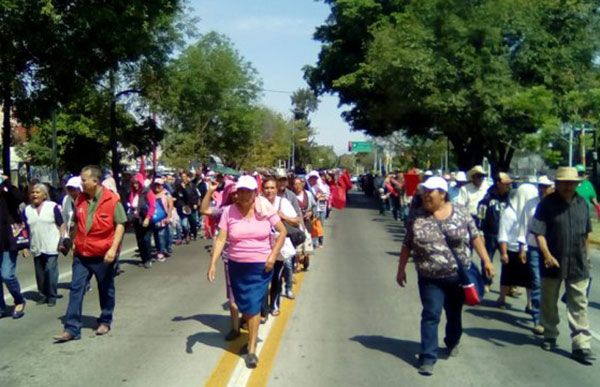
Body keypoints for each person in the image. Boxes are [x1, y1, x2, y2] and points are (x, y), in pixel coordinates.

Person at [396, 176, 494, 376]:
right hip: (429, 276)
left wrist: (487, 260)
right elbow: (407, 242)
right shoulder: (416, 215)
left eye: (429, 192)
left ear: (442, 193)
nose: (425, 196)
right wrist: (401, 268)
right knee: (431, 314)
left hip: (457, 276)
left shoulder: (461, 212)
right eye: (424, 192)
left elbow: (475, 237)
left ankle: (452, 340)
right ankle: (428, 356)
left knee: (453, 313)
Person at [207, 175, 287, 369]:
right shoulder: (228, 212)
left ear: (254, 193)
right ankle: (248, 337)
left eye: (247, 191)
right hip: (236, 266)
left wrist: (272, 256)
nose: (243, 195)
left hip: (261, 266)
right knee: (244, 306)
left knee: (252, 308)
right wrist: (213, 264)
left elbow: (282, 232)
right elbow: (220, 239)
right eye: (240, 191)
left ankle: (251, 350)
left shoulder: (265, 209)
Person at [530, 166, 596, 364]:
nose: (568, 186)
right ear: (557, 184)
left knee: (579, 303)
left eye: (572, 183)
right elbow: (538, 233)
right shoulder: (547, 204)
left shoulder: (583, 204)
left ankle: (581, 343)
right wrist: (547, 255)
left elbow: (586, 234)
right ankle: (550, 333)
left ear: (577, 184)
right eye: (564, 183)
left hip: (577, 261)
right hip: (552, 261)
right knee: (549, 301)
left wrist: (587, 257)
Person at [54, 165, 126, 342]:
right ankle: (71, 328)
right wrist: (70, 243)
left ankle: (105, 319)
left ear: (95, 181)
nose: (81, 183)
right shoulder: (79, 199)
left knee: (106, 289)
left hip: (103, 254)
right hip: (82, 255)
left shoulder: (112, 200)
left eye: (84, 180)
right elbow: (77, 224)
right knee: (76, 289)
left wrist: (113, 249)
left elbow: (121, 225)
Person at [517, 175, 554, 334]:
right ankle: (538, 319)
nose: (542, 189)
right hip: (533, 247)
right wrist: (521, 247)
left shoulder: (555, 204)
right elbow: (523, 225)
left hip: (552, 249)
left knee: (550, 285)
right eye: (540, 186)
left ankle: (549, 318)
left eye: (546, 186)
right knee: (537, 281)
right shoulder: (531, 204)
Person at [22, 184, 64, 307]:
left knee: (50, 270)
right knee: (40, 274)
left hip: (51, 244)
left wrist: (62, 240)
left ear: (44, 195)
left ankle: (52, 295)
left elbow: (61, 224)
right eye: (32, 192)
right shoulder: (27, 210)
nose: (34, 194)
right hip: (36, 245)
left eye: (38, 192)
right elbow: (24, 229)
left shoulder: (52, 206)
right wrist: (25, 246)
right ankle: (43, 295)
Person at [265, 176, 301, 303]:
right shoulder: (258, 203)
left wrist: (284, 217)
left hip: (281, 244)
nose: (269, 190)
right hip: (263, 246)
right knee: (263, 278)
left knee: (285, 267)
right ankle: (262, 311)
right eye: (266, 188)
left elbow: (297, 220)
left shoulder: (286, 199)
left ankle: (287, 289)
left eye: (272, 188)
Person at [477, 172, 512, 292]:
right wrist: (480, 232)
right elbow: (480, 215)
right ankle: (486, 282)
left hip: (506, 235)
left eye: (509, 184)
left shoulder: (510, 198)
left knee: (509, 261)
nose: (508, 186)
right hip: (490, 233)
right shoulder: (487, 198)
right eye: (506, 184)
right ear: (498, 183)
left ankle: (509, 286)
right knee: (487, 259)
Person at [496, 189, 532, 308]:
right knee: (507, 277)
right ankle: (502, 299)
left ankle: (530, 304)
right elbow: (503, 234)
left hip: (527, 249)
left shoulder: (530, 212)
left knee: (530, 279)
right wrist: (504, 253)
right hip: (512, 249)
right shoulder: (508, 213)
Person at [0, 174, 27, 319]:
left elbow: (20, 198)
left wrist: (7, 183)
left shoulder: (7, 192)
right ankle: (1, 307)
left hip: (8, 241)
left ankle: (19, 300)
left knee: (6, 274)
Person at [128, 173, 156, 268]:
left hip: (145, 218)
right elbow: (132, 206)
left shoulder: (147, 191)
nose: (135, 185)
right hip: (137, 220)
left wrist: (148, 218)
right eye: (133, 183)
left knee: (146, 239)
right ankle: (144, 259)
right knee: (139, 240)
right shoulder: (133, 193)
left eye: (137, 183)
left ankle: (148, 259)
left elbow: (152, 206)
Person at [293, 177, 317, 271]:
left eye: (299, 184)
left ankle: (306, 257)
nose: (297, 186)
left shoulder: (308, 194)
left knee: (307, 239)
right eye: (295, 184)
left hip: (306, 221)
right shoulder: (292, 196)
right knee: (298, 242)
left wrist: (311, 213)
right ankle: (297, 262)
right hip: (296, 222)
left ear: (303, 184)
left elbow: (314, 206)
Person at [174, 171, 200, 243]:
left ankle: (194, 234)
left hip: (191, 206)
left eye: (185, 177)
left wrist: (195, 203)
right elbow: (175, 194)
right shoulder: (178, 186)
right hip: (183, 207)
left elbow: (196, 195)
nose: (183, 178)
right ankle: (186, 235)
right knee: (184, 224)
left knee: (193, 222)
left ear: (187, 177)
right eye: (182, 177)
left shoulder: (191, 185)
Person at [152, 178, 174, 262]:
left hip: (164, 219)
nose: (157, 187)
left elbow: (170, 206)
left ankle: (162, 251)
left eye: (159, 185)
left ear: (162, 185)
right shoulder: (152, 194)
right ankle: (160, 250)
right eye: (156, 185)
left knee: (162, 235)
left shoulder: (166, 194)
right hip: (154, 218)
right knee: (156, 236)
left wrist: (169, 217)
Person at [306, 171, 329, 248]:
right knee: (312, 224)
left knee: (320, 224)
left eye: (315, 178)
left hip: (321, 206)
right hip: (312, 207)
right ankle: (312, 241)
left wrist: (320, 197)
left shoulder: (323, 186)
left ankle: (320, 240)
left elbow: (326, 196)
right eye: (312, 178)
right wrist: (316, 197)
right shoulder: (307, 187)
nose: (313, 180)